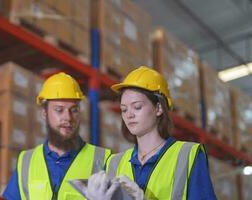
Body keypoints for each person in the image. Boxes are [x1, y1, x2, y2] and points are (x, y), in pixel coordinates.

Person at [86, 66, 217, 200]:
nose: (129, 115)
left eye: (137, 107)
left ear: (158, 108)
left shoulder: (187, 155)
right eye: (124, 110)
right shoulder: (114, 163)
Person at [2, 72, 111, 200]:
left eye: (74, 110)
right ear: (44, 113)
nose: (68, 118)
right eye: (59, 110)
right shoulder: (26, 161)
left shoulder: (103, 160)